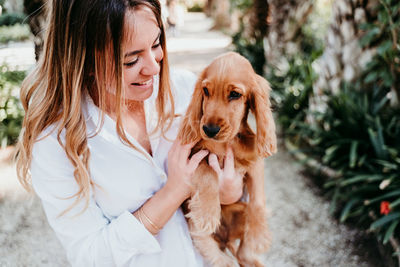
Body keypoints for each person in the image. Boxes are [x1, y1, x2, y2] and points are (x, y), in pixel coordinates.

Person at [16, 0, 244, 266]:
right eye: (131, 60)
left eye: (157, 44)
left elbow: (238, 171)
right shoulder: (55, 140)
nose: (154, 68)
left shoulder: (186, 91)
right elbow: (90, 254)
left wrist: (230, 193)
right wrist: (173, 192)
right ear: (84, 58)